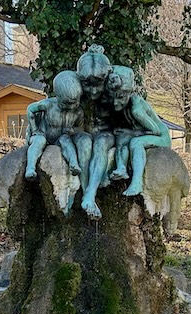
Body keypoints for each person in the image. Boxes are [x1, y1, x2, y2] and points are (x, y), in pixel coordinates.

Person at [105, 66, 171, 197]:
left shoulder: (136, 109)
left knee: (135, 142)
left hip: (161, 137)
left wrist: (131, 133)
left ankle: (137, 182)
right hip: (143, 134)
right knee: (122, 138)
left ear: (129, 93)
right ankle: (121, 168)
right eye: (113, 98)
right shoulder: (123, 106)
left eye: (120, 97)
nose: (115, 103)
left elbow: (155, 130)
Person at [75, 45, 114, 218]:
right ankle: (88, 196)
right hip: (82, 133)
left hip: (106, 135)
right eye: (87, 85)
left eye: (98, 85)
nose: (93, 91)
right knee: (84, 143)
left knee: (101, 143)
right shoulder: (74, 93)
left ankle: (90, 195)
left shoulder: (114, 93)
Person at [24, 70, 85, 183]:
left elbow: (80, 129)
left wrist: (72, 130)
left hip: (59, 138)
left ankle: (74, 164)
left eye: (74, 103)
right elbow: (30, 109)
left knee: (66, 140)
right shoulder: (48, 105)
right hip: (43, 134)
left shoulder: (78, 112)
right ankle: (30, 168)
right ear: (58, 96)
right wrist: (35, 129)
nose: (70, 107)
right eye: (66, 103)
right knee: (39, 141)